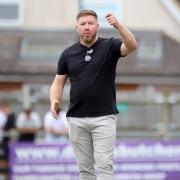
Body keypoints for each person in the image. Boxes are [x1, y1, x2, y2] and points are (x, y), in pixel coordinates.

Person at [50, 10, 137, 180]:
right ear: (77, 28)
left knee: (104, 166)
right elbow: (58, 82)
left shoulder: (110, 46)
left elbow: (132, 45)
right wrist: (54, 99)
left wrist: (117, 25)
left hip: (104, 117)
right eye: (83, 24)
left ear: (97, 26)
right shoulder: (68, 54)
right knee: (85, 170)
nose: (87, 27)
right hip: (76, 118)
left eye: (90, 23)